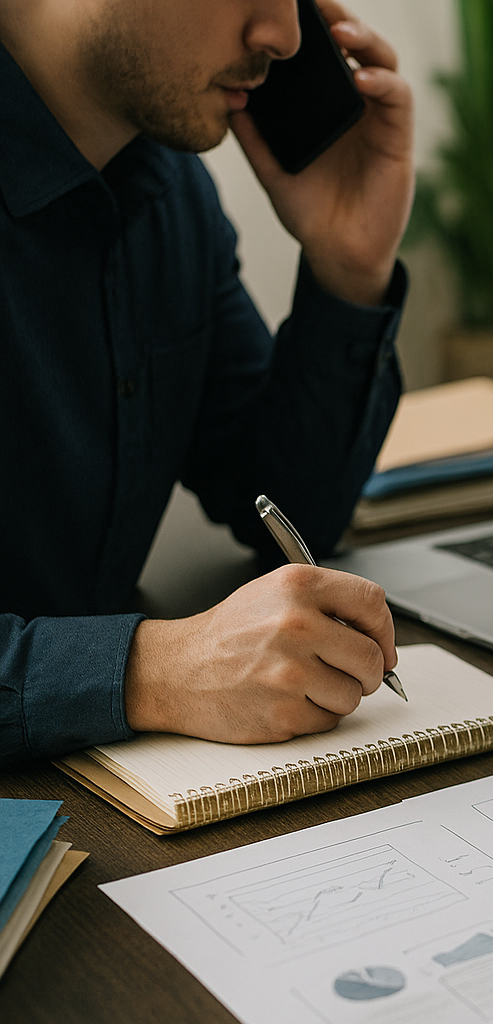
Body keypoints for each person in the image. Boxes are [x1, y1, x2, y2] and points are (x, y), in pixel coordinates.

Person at [0, 0, 415, 766]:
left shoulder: (168, 188)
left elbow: (284, 507)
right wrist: (153, 671)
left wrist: (349, 265)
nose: (287, 37)